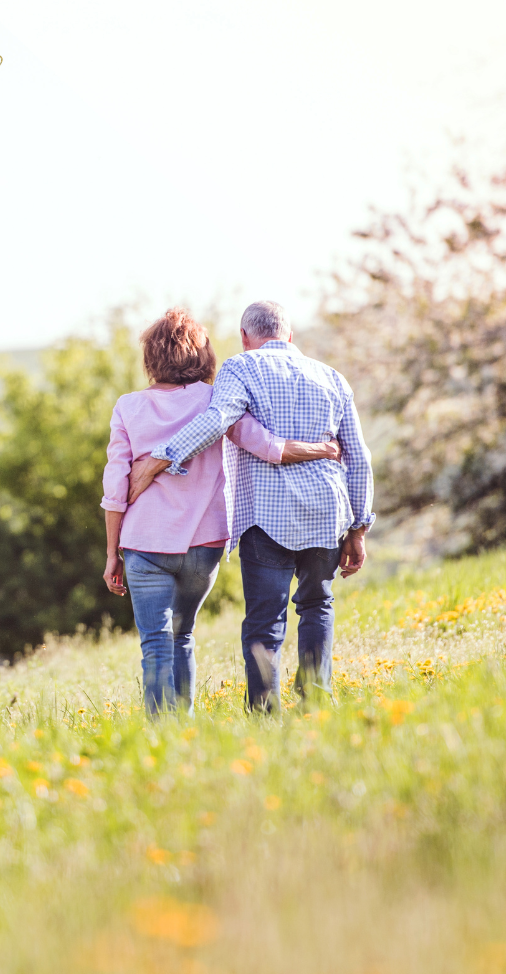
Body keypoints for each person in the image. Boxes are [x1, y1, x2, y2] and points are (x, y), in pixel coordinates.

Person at [127, 300, 374, 711]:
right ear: (290, 335)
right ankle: (316, 699)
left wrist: (159, 459)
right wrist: (360, 526)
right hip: (328, 513)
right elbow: (358, 455)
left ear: (244, 338)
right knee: (318, 605)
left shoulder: (240, 368)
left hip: (266, 516)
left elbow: (218, 419)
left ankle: (263, 711)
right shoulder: (333, 378)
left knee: (265, 620)